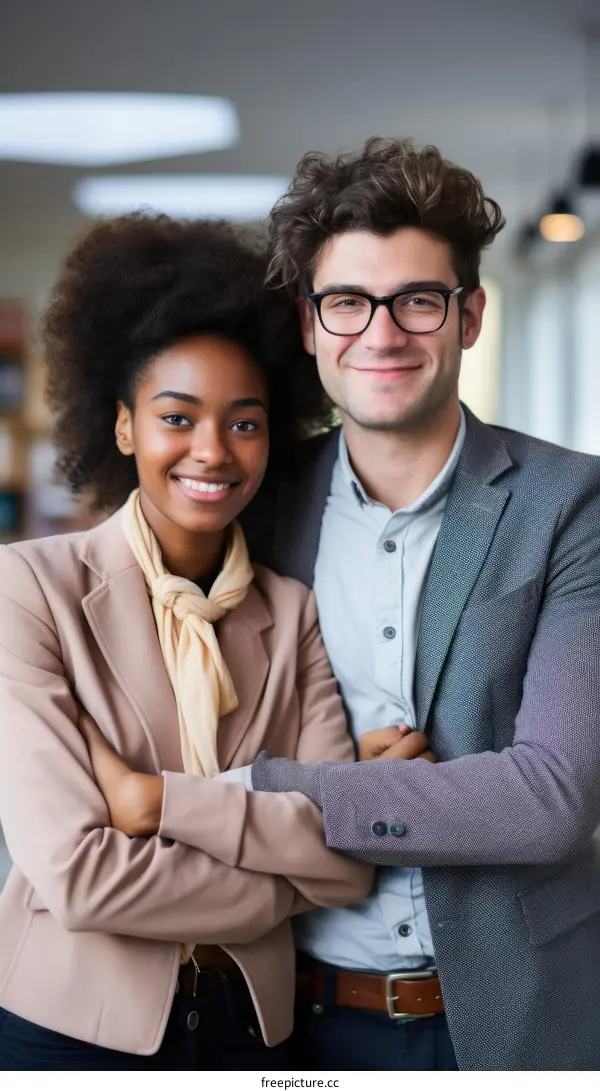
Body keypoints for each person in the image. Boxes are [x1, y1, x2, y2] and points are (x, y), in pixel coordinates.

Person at [242, 138, 600, 1071]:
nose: (383, 333)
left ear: (470, 314)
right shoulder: (258, 505)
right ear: (312, 323)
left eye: (418, 299)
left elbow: (549, 800)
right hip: (299, 1017)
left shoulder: (571, 504)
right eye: (349, 302)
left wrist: (284, 789)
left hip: (521, 1023)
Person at [0, 213, 380, 1071]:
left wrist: (153, 804)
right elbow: (79, 877)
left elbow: (348, 864)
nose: (212, 450)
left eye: (244, 423)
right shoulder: (29, 591)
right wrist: (276, 887)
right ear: (125, 425)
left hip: (256, 1028)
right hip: (69, 1029)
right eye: (178, 416)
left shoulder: (294, 613)